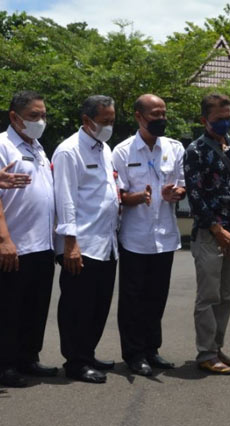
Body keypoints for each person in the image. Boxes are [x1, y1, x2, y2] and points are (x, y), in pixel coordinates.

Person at [112, 94, 185, 376]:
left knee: (157, 297)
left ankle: (152, 350)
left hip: (165, 236)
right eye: (155, 115)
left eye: (163, 113)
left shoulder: (174, 148)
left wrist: (175, 193)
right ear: (139, 117)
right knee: (132, 299)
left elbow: (182, 186)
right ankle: (133, 354)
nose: (161, 119)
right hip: (135, 237)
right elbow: (116, 196)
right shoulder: (122, 152)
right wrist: (136, 197)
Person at [53, 95, 120, 384]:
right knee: (77, 307)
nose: (109, 127)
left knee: (98, 305)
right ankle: (75, 362)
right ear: (86, 121)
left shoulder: (104, 149)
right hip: (80, 245)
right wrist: (70, 244)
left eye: (112, 121)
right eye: (104, 121)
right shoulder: (69, 151)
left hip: (105, 243)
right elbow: (65, 200)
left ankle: (88, 352)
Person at [184, 93, 230, 375]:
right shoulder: (195, 151)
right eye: (219, 119)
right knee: (208, 296)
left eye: (228, 118)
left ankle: (217, 346)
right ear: (204, 120)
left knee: (226, 294)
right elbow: (195, 196)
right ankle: (206, 353)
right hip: (211, 234)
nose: (225, 123)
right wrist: (217, 228)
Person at [0, 91, 58, 388]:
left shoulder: (37, 148)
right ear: (14, 117)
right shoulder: (2, 144)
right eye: (34, 116)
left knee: (35, 307)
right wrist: (4, 240)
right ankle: (5, 364)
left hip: (42, 245)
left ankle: (28, 358)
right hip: (15, 245)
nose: (40, 121)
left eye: (43, 115)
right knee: (9, 309)